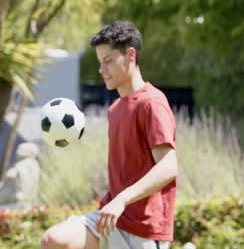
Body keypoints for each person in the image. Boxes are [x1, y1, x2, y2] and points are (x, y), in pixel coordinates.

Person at [41, 20, 178, 249]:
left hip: (143, 230)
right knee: (54, 240)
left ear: (131, 55)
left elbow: (168, 167)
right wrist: (114, 202)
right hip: (110, 217)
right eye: (100, 63)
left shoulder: (152, 103)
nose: (102, 69)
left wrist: (122, 199)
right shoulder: (115, 109)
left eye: (109, 61)